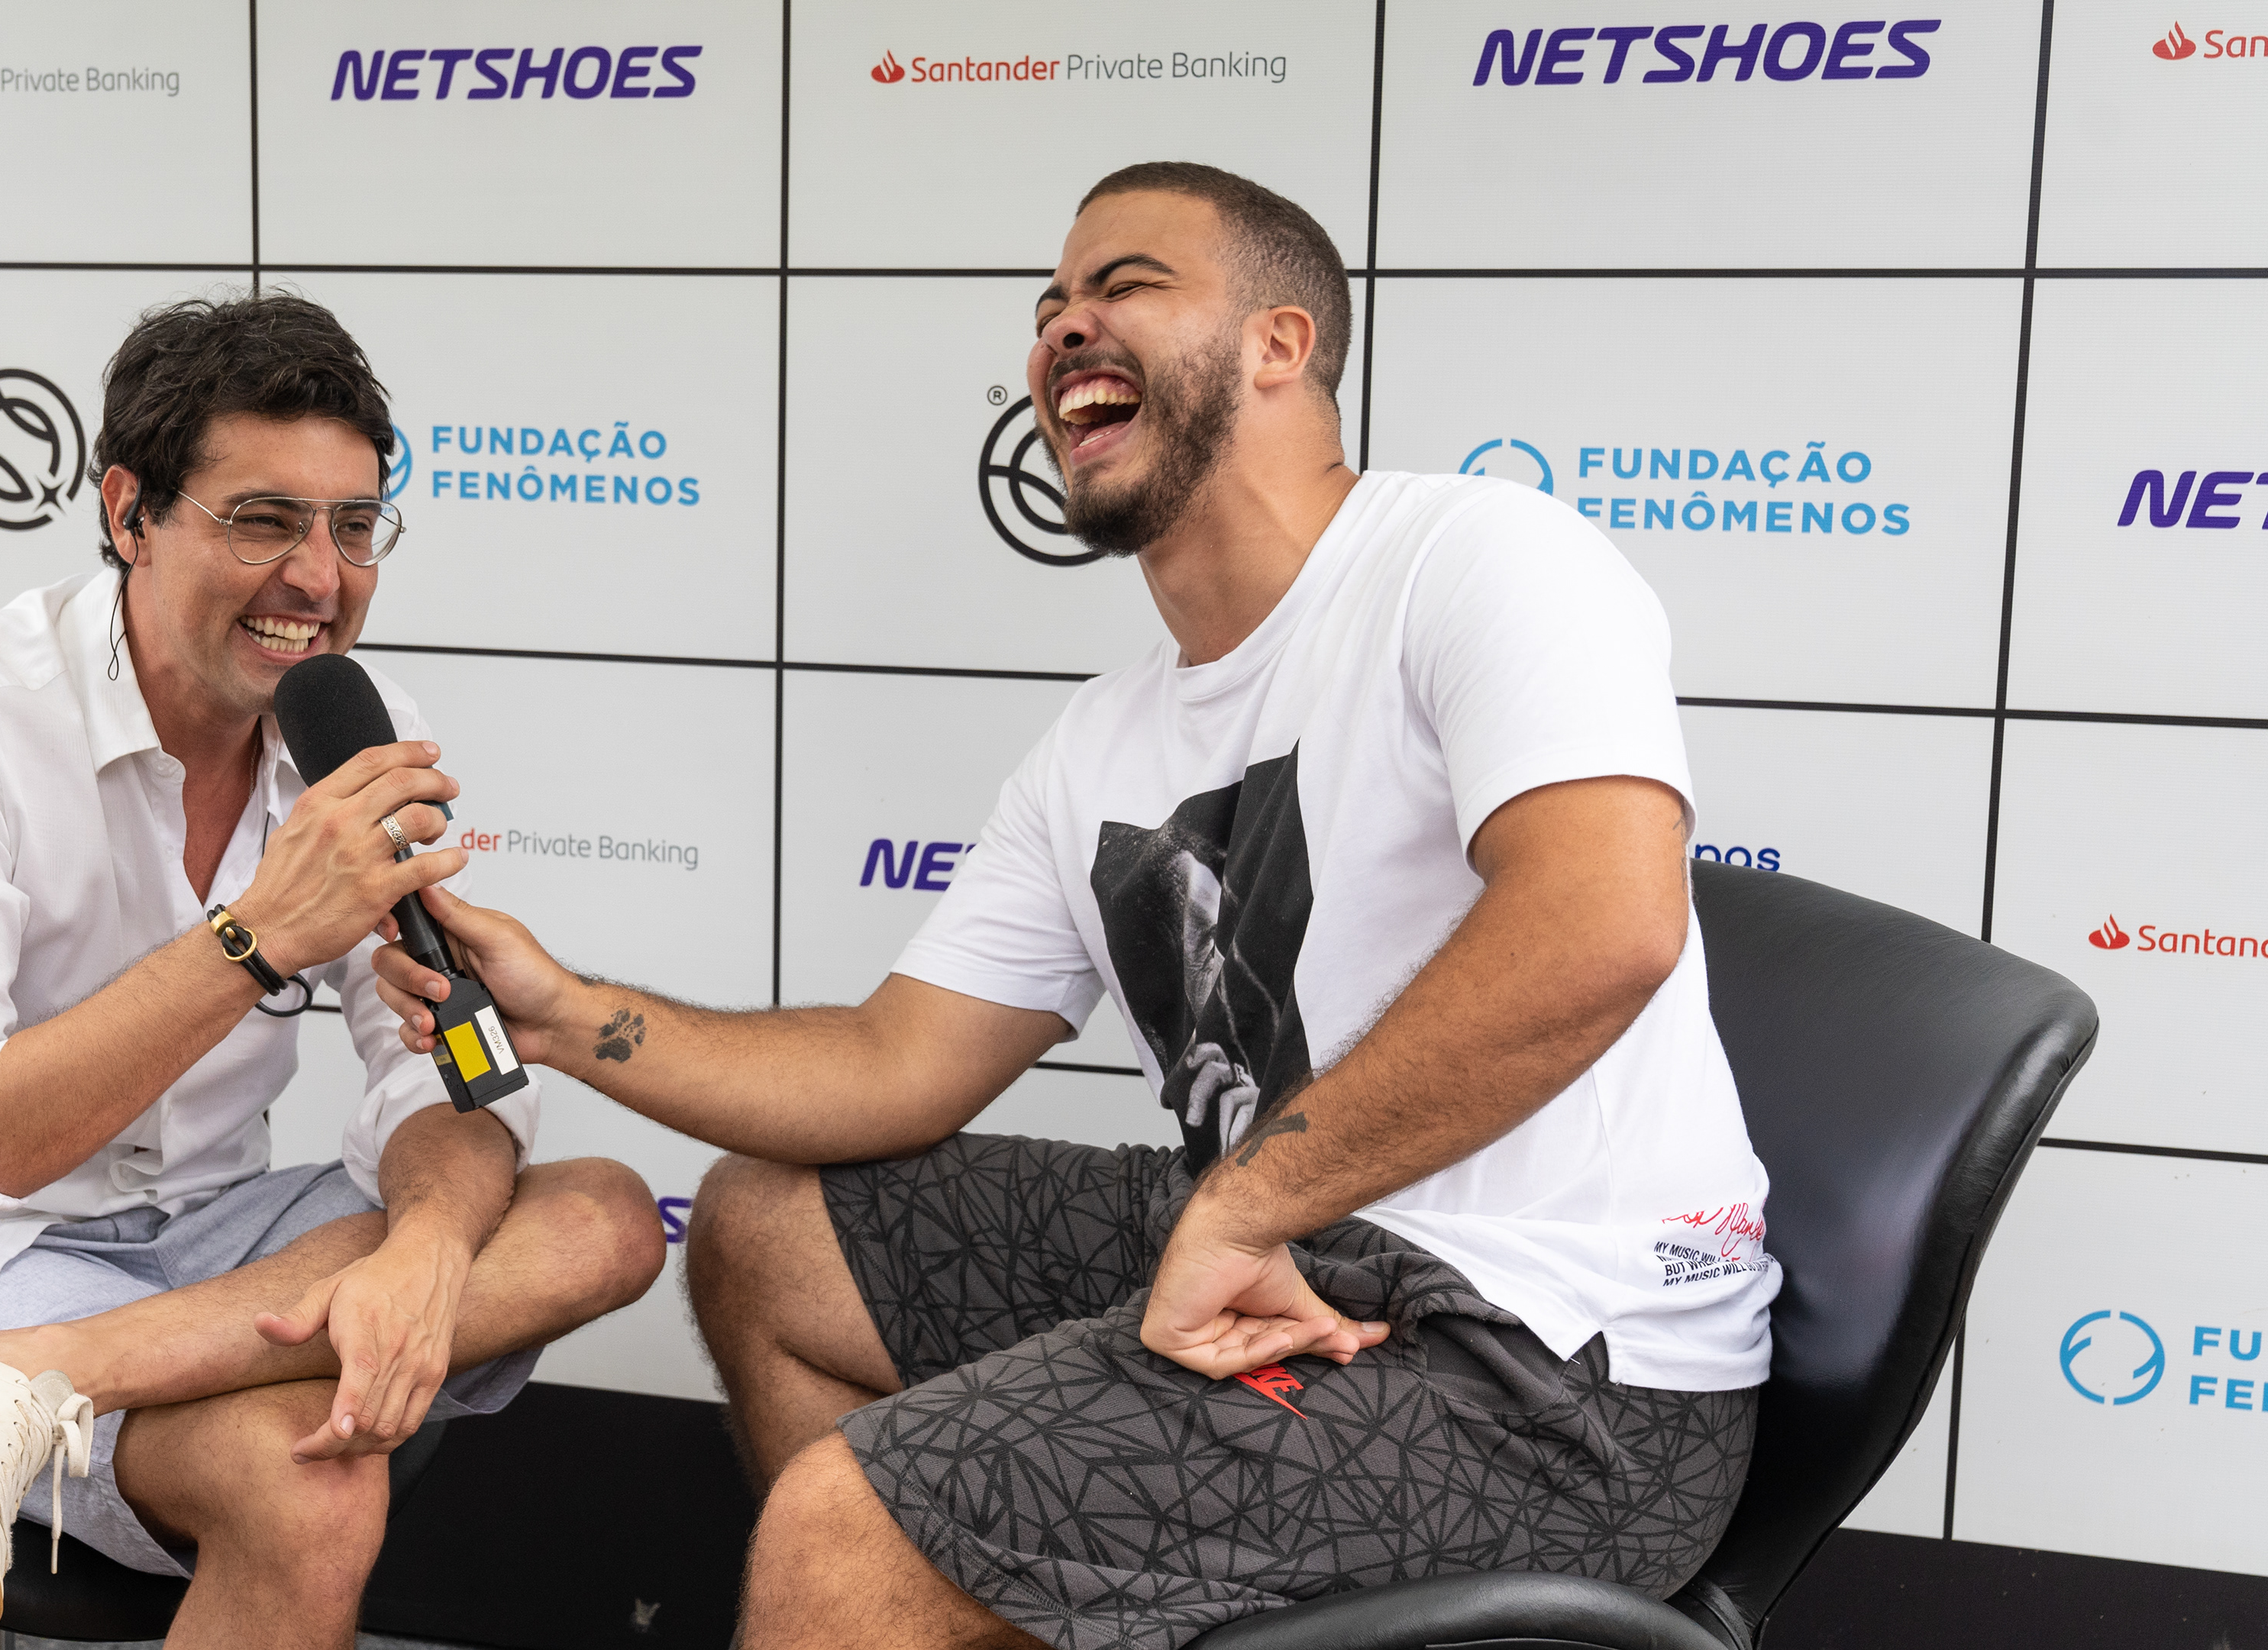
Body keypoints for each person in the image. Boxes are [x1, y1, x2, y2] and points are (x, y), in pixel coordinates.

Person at [367, 163, 1779, 1650]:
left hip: (1560, 1372)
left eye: (1125, 286)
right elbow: (893, 1065)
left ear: (1280, 344)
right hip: (1280, 1245)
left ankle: (880, 1586)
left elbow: (1604, 926)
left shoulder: (1479, 558)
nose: (1062, 328)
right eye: (1049, 306)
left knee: (848, 1524)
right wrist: (566, 1015)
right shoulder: (1102, 741)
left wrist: (1246, 1200)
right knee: (767, 1230)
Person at [0, 292, 666, 1650]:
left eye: (355, 526)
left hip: (192, 1247)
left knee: (604, 1214)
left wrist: (425, 1249)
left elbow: (449, 1066)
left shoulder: (359, 728)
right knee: (312, 1484)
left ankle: (18, 1383)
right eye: (263, 521)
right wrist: (255, 939)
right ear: (130, 514)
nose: (320, 579)